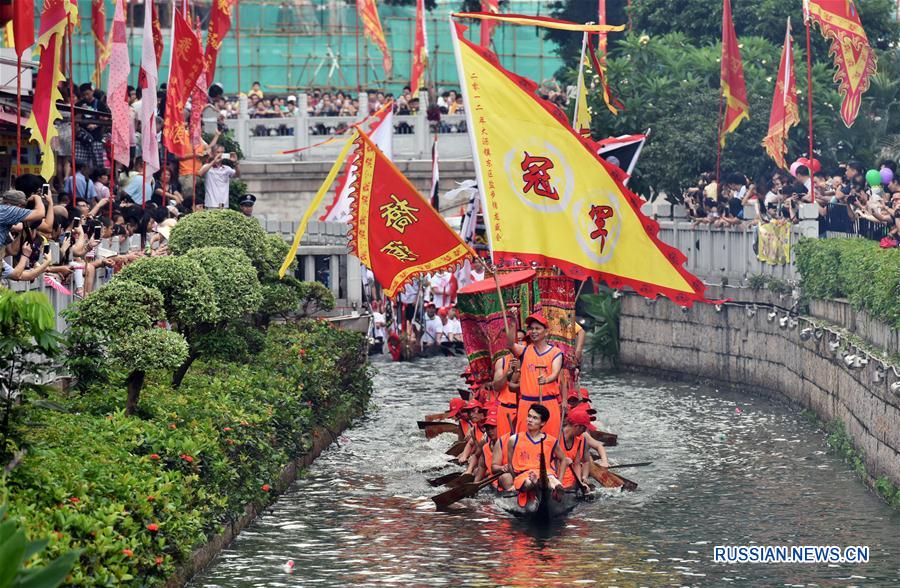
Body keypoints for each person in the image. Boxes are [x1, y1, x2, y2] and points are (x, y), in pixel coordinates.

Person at [508, 312, 564, 437]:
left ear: (546, 331)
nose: (533, 331)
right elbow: (510, 344)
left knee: (550, 443)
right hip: (526, 404)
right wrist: (512, 323)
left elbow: (555, 373)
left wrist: (547, 379)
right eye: (531, 328)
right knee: (523, 442)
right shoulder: (524, 350)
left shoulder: (556, 352)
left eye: (537, 328)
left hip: (548, 403)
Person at [506, 404, 568, 505]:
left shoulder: (551, 441)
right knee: (528, 481)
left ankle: (557, 485)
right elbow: (510, 465)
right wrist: (514, 482)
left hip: (545, 473)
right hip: (524, 474)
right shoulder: (514, 439)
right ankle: (536, 483)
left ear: (542, 423)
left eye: (535, 418)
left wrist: (560, 478)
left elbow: (564, 459)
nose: (530, 420)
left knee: (551, 478)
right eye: (529, 416)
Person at [492, 354, 520, 440]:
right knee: (503, 443)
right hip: (505, 409)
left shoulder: (530, 359)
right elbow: (496, 387)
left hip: (524, 407)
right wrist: (507, 373)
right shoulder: (502, 361)